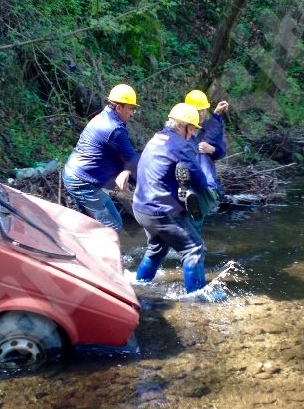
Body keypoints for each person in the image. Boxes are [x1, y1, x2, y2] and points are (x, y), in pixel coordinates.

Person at [132, 103, 225, 302]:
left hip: (141, 207)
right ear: (184, 126)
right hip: (161, 211)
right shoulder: (180, 145)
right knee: (193, 248)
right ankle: (197, 297)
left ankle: (138, 285)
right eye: (192, 130)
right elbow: (199, 180)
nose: (193, 135)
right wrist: (207, 191)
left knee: (157, 248)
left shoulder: (157, 137)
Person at [62, 84, 140, 232]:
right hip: (82, 181)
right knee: (112, 229)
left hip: (76, 175)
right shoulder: (114, 128)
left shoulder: (105, 117)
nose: (132, 113)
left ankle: (84, 252)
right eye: (130, 108)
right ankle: (112, 255)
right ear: (118, 108)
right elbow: (132, 160)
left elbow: (124, 159)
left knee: (93, 225)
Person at [182, 89, 229, 229]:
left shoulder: (208, 127)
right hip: (185, 180)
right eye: (198, 111)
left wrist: (212, 149)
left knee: (195, 219)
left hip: (202, 182)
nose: (201, 114)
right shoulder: (180, 128)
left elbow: (221, 152)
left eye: (203, 110)